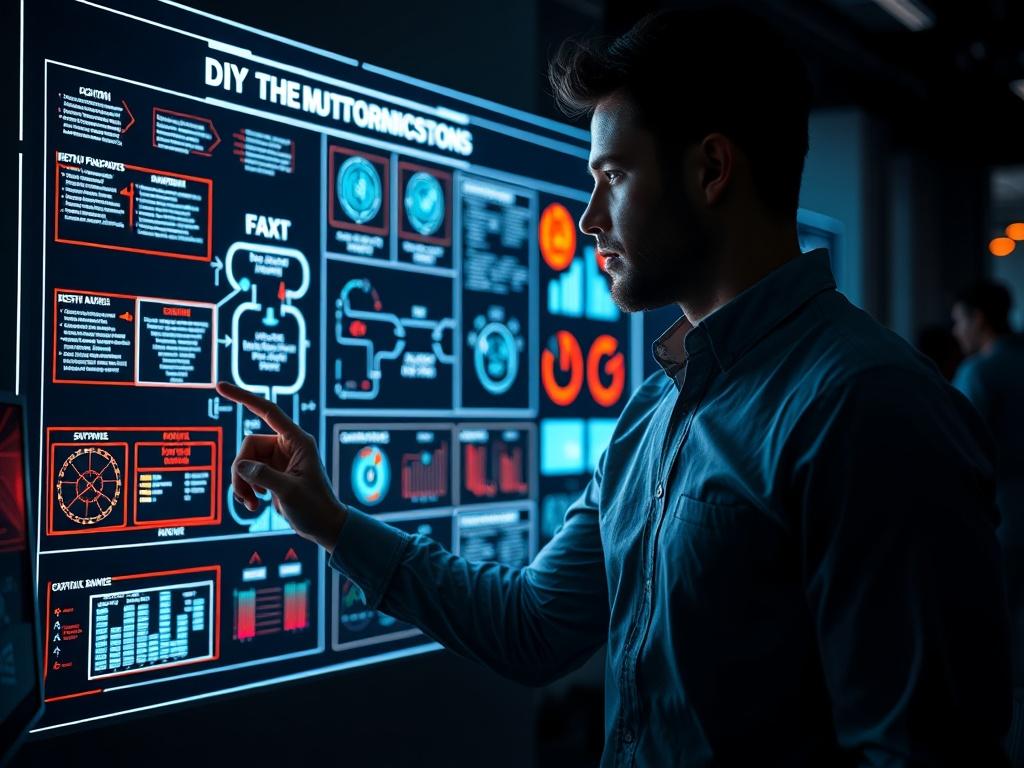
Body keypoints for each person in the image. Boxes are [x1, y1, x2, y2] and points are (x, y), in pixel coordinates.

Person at [217, 9, 1011, 765]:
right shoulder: (656, 410)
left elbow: (915, 750)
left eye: (613, 176)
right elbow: (534, 627)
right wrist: (329, 521)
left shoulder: (870, 408)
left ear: (709, 169)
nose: (591, 217)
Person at [952, 279, 1024, 762]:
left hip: (1001, 519)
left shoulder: (978, 374)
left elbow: (957, 455)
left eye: (958, 320)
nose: (956, 332)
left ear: (978, 318)